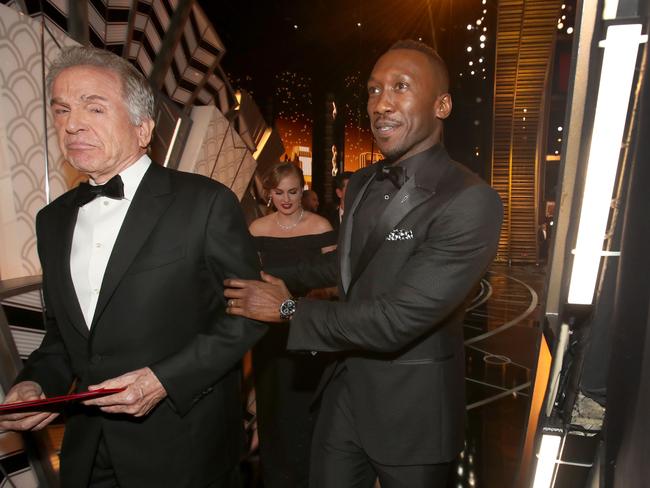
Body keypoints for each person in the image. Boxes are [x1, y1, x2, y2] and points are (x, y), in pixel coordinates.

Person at [224, 39, 503, 488]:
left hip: (413, 413)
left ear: (443, 104)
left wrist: (288, 308)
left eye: (400, 87)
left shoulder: (470, 200)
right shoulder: (363, 183)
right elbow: (346, 268)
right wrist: (273, 280)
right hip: (343, 390)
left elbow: (397, 320)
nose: (381, 103)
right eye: (374, 90)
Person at [0, 46, 265, 488]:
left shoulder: (205, 202)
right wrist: (36, 384)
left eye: (94, 107)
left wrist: (165, 379)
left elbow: (249, 314)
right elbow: (64, 338)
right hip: (89, 450)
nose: (72, 123)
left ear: (143, 128)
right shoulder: (53, 221)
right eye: (62, 110)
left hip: (185, 449)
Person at [249, 162, 336, 487]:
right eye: (279, 192)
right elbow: (250, 279)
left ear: (303, 190)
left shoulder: (320, 226)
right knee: (272, 409)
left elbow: (337, 282)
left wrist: (312, 299)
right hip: (269, 335)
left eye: (293, 192)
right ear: (269, 193)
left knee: (307, 410)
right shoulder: (257, 229)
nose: (286, 199)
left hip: (309, 327)